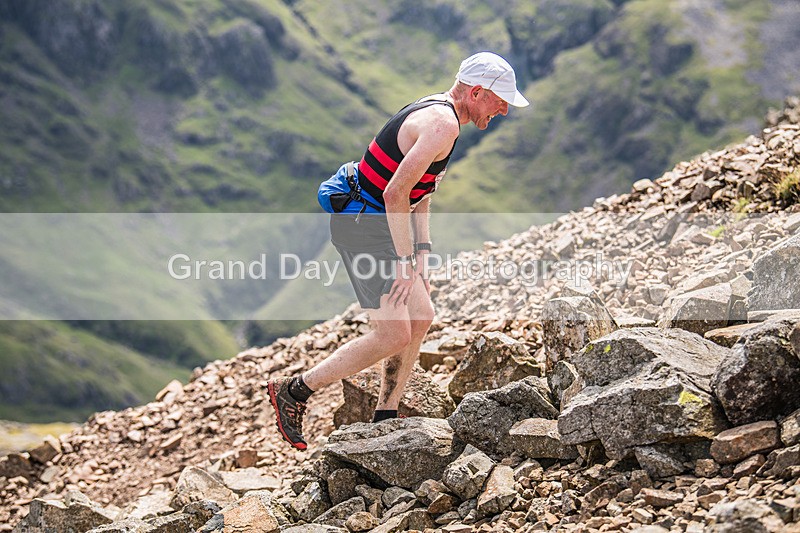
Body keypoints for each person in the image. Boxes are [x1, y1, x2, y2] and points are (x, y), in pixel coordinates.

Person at [267, 52, 530, 450]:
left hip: (381, 227)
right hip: (365, 229)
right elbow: (395, 194)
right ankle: (294, 390)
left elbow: (420, 192)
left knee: (421, 316)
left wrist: (421, 252)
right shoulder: (442, 125)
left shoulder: (443, 116)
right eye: (500, 100)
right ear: (477, 92)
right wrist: (405, 264)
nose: (504, 110)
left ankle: (386, 414)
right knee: (392, 334)